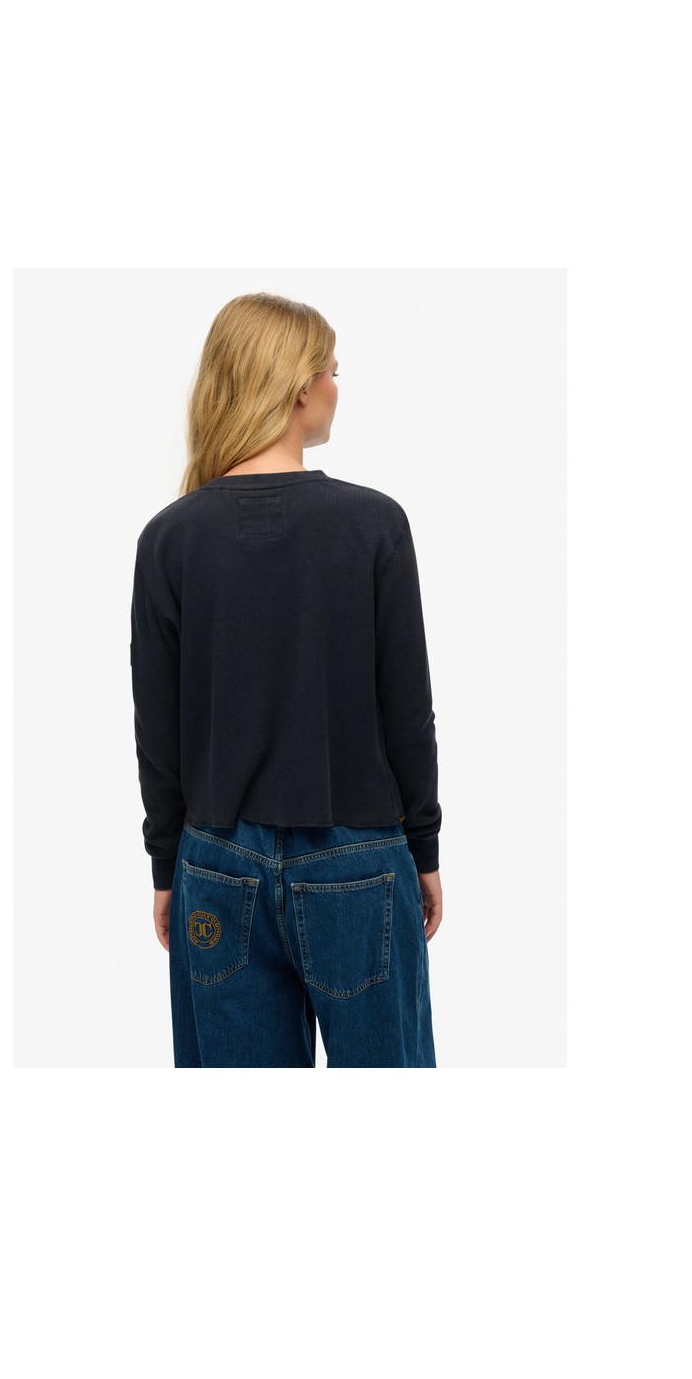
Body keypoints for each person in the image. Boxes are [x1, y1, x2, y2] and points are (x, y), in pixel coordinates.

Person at [129, 292, 442, 1067]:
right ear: (298, 387)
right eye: (332, 369)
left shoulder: (170, 539)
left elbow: (158, 731)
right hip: (359, 862)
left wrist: (168, 866)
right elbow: (407, 712)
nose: (337, 385)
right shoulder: (373, 525)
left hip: (216, 867)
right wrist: (424, 850)